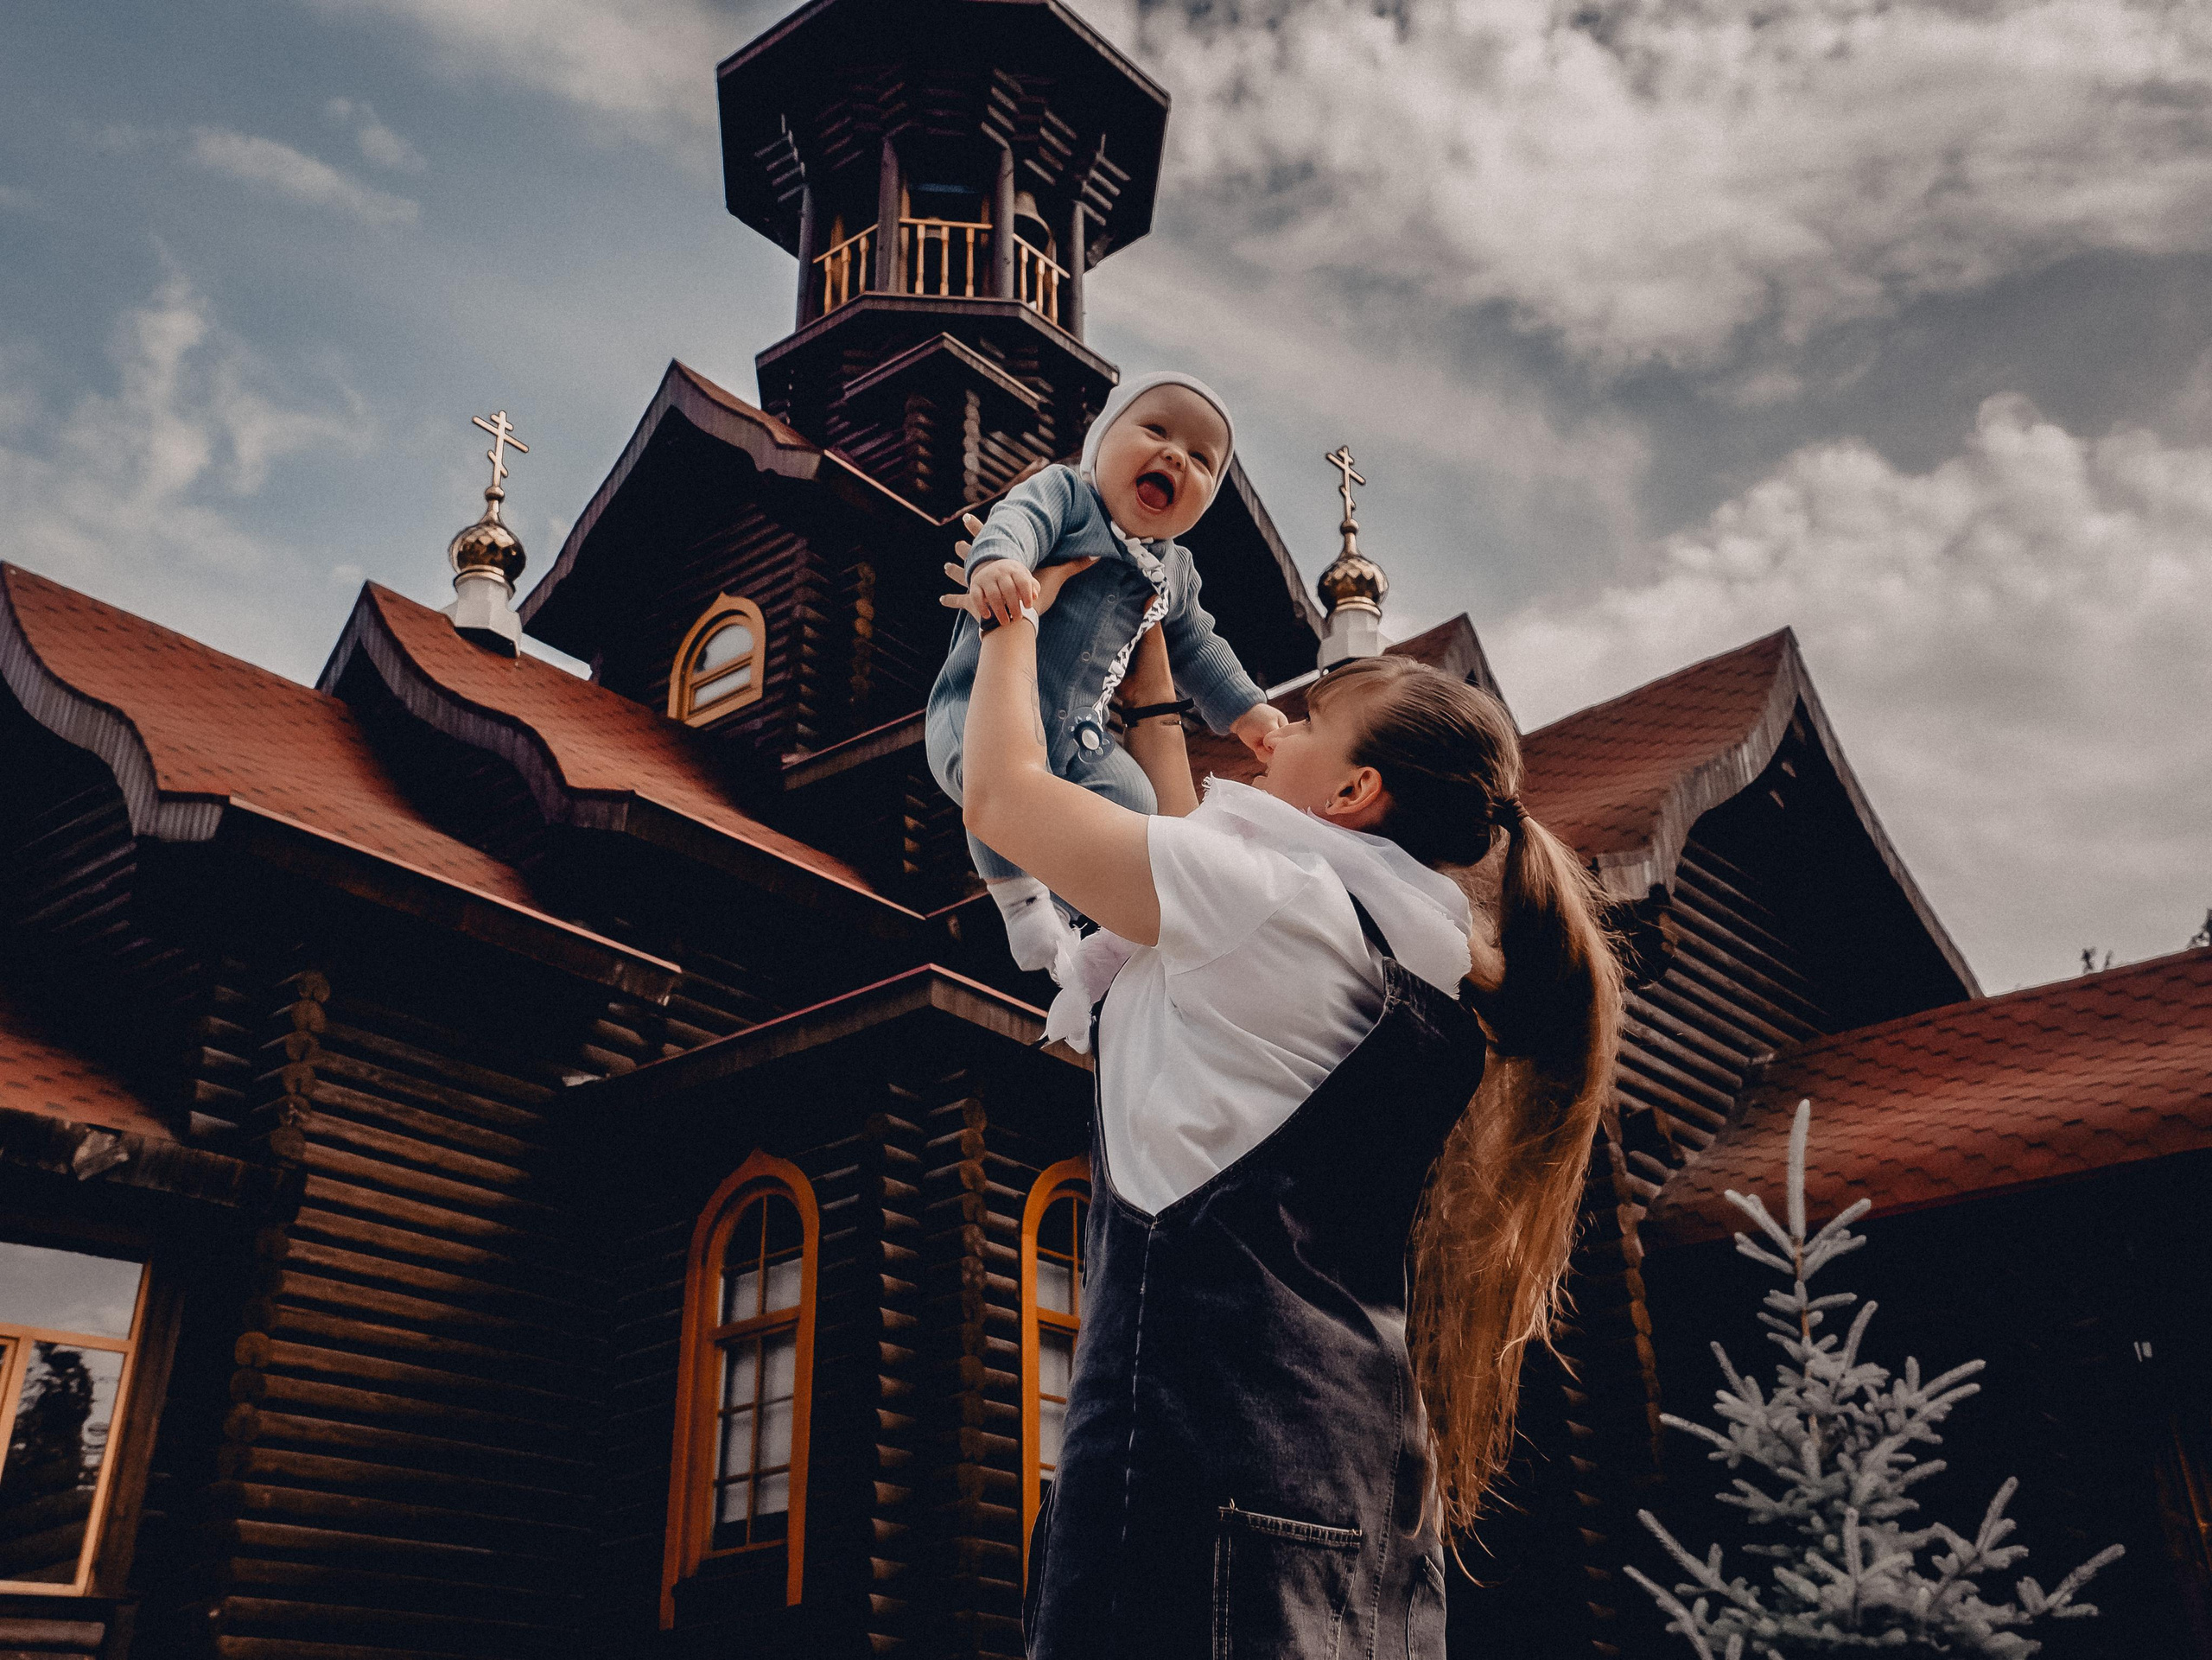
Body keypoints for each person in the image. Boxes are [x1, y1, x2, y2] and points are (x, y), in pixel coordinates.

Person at [946, 556, 1624, 1660]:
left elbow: (1002, 800)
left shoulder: (1268, 903)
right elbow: (1192, 846)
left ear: (1354, 795)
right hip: (1355, 1499)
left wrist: (1012, 617)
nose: (1265, 730)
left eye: (1303, 721)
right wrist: (1156, 659)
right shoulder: (1420, 977)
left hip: (1193, 1472)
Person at [925, 371, 1287, 978]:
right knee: (989, 773)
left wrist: (1247, 711)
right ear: (1100, 445)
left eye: (1202, 459)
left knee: (1134, 802)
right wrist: (1000, 563)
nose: (1176, 454)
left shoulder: (1175, 570)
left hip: (1083, 731)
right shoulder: (1066, 496)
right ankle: (1018, 898)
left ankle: (1087, 910)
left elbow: (1198, 643)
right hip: (981, 702)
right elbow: (1015, 522)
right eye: (1156, 430)